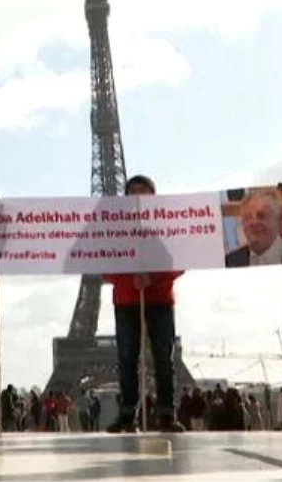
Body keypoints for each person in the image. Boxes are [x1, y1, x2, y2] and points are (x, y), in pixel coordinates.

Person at [105, 175, 185, 433]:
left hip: (158, 299)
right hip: (129, 299)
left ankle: (165, 414)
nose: (137, 196)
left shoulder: (167, 225)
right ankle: (129, 415)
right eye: (133, 192)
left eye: (143, 191)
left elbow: (181, 261)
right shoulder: (113, 228)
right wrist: (132, 281)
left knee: (164, 357)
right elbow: (102, 263)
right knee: (128, 358)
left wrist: (151, 279)